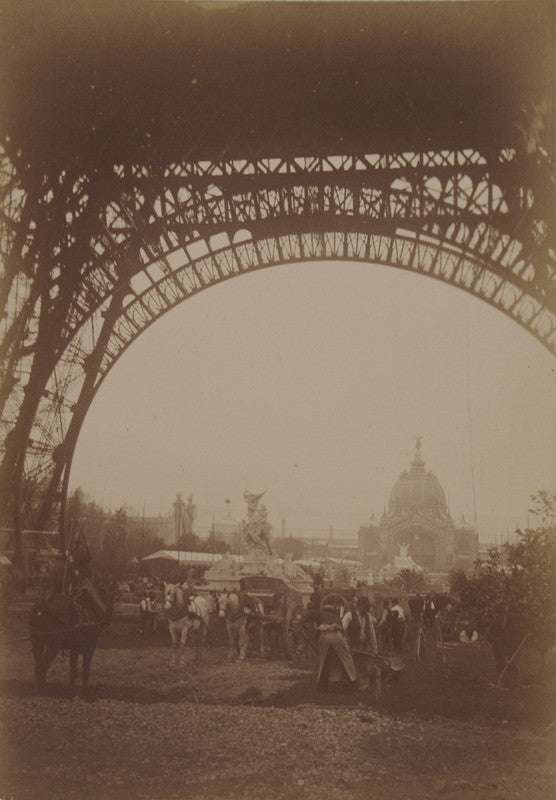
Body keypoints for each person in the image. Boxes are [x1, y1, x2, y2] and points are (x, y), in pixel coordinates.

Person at [298, 601, 358, 691]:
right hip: (338, 635)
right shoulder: (337, 618)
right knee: (346, 659)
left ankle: (323, 685)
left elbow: (308, 615)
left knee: (324, 660)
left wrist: (299, 622)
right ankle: (353, 683)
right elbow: (343, 632)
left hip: (324, 635)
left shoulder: (320, 613)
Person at [342, 595, 378, 690]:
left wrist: (374, 650)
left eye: (368, 608)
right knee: (353, 665)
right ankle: (355, 684)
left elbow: (372, 633)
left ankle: (364, 685)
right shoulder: (349, 615)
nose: (367, 609)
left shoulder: (368, 616)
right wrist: (346, 642)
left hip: (363, 645)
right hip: (352, 645)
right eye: (365, 607)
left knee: (364, 665)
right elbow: (342, 629)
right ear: (359, 606)